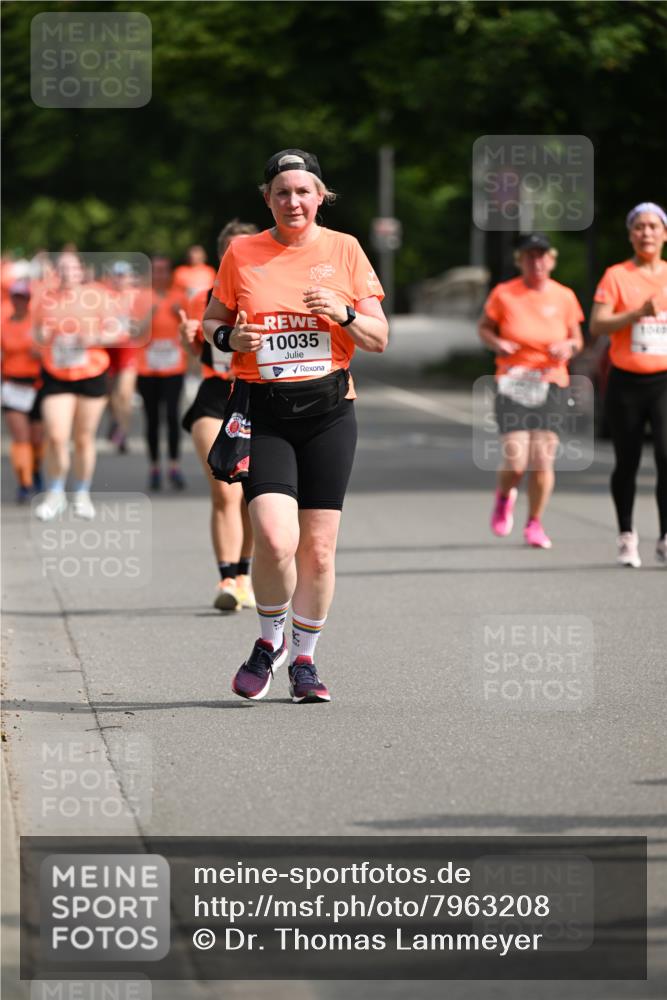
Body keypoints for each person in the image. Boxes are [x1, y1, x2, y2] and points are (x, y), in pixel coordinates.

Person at [203, 148, 387, 703]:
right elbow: (212, 320)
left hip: (329, 413)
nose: (293, 201)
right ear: (267, 199)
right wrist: (229, 338)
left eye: (303, 191)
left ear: (320, 196)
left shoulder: (345, 249)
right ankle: (269, 641)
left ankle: (305, 660)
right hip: (264, 412)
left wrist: (344, 312)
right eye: (282, 192)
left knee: (320, 550)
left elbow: (379, 337)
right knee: (275, 539)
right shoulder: (242, 252)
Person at [479, 233, 584, 549]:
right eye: (529, 256)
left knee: (541, 460)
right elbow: (484, 328)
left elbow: (578, 339)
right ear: (520, 261)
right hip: (513, 381)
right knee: (516, 460)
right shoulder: (504, 293)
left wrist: (568, 346)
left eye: (541, 256)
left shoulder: (564, 296)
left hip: (551, 381)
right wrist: (497, 342)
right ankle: (504, 496)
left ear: (551, 260)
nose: (536, 262)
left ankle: (534, 523)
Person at [180, 220, 258, 611]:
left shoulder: (267, 293)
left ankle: (244, 575)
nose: (235, 255)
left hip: (255, 397)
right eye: (229, 250)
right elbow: (202, 353)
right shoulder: (205, 298)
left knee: (251, 494)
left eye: (242, 248)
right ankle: (226, 578)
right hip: (214, 397)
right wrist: (188, 341)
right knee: (225, 488)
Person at [590, 202, 667, 567]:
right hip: (626, 382)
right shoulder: (616, 276)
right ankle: (626, 535)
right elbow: (597, 325)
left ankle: (665, 537)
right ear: (630, 234)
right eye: (639, 227)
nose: (646, 232)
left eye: (653, 226)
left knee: (666, 456)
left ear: (664, 233)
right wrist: (637, 314)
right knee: (628, 461)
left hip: (664, 381)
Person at [32, 252, 114, 521]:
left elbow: (118, 330)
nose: (68, 274)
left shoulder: (97, 296)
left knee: (83, 438)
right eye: (63, 269)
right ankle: (55, 493)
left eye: (73, 268)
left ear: (81, 271)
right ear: (56, 273)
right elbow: (35, 334)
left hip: (91, 373)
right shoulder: (45, 299)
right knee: (56, 436)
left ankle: (81, 493)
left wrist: (94, 337)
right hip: (56, 374)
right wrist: (42, 337)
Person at [136, 256, 188, 491]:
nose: (160, 275)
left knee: (172, 416)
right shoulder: (142, 297)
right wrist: (150, 313)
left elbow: (190, 329)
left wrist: (179, 315)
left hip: (174, 367)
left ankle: (175, 466)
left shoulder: (179, 296)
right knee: (152, 418)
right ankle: (155, 467)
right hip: (147, 368)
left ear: (170, 273)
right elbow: (136, 332)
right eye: (156, 270)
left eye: (164, 270)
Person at [1, 280, 43, 501]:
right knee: (21, 438)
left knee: (37, 440)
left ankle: (36, 470)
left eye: (23, 297)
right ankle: (24, 483)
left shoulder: (37, 324)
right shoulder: (4, 325)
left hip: (36, 386)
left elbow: (51, 353)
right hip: (13, 385)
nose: (19, 301)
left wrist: (41, 353)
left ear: (29, 300)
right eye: (16, 297)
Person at [105, 261, 139, 453]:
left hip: (129, 347)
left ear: (130, 277)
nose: (120, 280)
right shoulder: (104, 296)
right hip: (109, 348)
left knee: (125, 393)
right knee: (110, 393)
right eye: (117, 276)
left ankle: (123, 433)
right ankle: (115, 419)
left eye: (123, 276)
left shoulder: (137, 296)